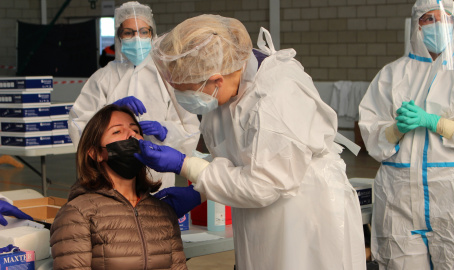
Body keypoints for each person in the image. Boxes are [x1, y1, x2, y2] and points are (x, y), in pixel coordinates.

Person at [135, 14, 366, 270]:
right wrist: (199, 190)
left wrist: (186, 167)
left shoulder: (275, 96)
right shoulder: (225, 92)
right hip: (266, 214)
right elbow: (242, 158)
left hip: (304, 216)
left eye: (186, 90)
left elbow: (262, 184)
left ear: (216, 79)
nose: (184, 99)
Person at [358, 0, 454, 269]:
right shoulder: (391, 75)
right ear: (416, 26)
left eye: (445, 18)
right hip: (398, 202)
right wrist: (394, 130)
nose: (438, 25)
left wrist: (438, 123)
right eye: (429, 19)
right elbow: (371, 133)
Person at [68, 1, 200, 189]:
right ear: (119, 37)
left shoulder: (167, 77)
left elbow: (191, 128)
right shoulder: (103, 78)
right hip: (111, 177)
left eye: (143, 32)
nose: (137, 38)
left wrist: (166, 131)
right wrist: (109, 112)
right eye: (129, 33)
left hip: (158, 177)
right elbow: (78, 123)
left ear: (152, 35)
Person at [50, 104, 187, 270]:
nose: (131, 135)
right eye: (117, 131)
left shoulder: (162, 212)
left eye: (136, 131)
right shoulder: (78, 213)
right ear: (96, 153)